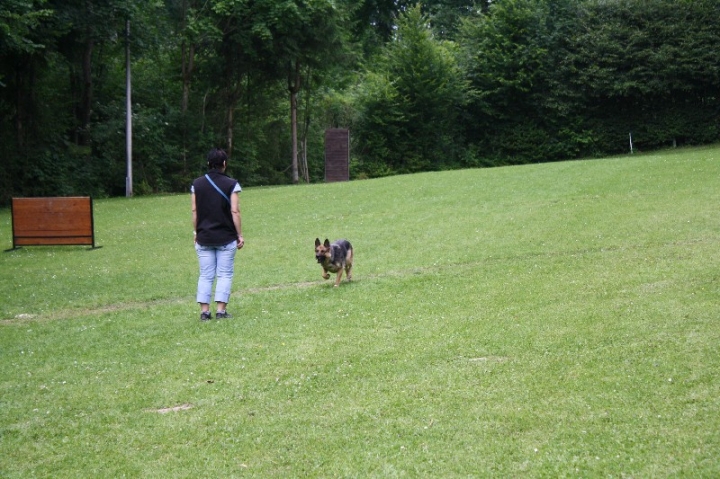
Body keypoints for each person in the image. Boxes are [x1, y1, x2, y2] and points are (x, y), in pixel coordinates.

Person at [191, 148, 244, 321]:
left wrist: (196, 231)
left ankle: (204, 312)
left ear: (208, 164)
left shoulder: (196, 185)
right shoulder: (232, 184)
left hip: (204, 237)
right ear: (224, 164)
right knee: (224, 274)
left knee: (205, 274)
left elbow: (194, 210)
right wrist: (240, 235)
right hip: (226, 237)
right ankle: (221, 311)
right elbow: (235, 211)